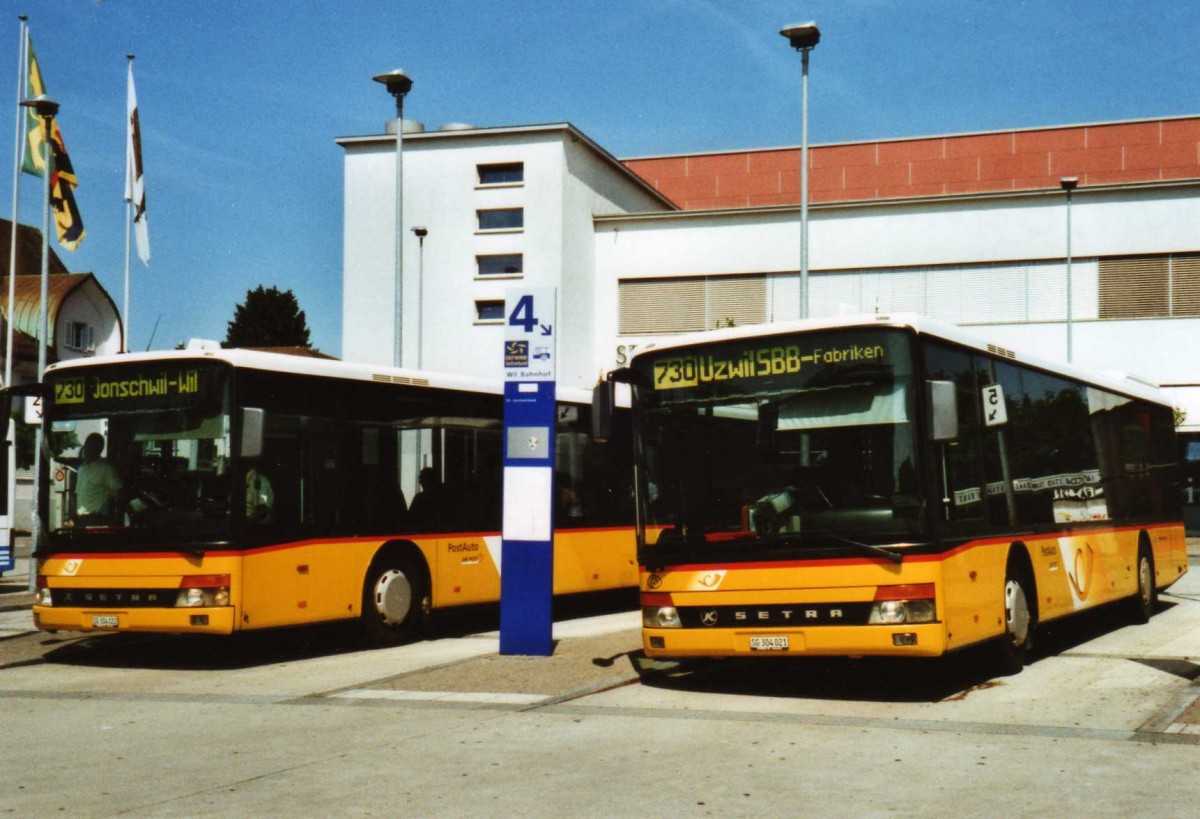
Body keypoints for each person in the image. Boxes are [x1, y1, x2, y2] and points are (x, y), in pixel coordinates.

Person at [75, 433, 123, 523]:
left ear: (99, 450)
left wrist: (117, 520)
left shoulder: (106, 469)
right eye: (87, 446)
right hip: (80, 520)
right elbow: (79, 496)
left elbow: (119, 494)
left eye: (93, 447)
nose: (88, 450)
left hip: (97, 520)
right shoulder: (81, 469)